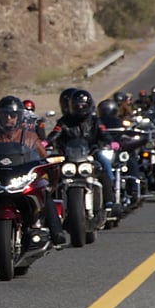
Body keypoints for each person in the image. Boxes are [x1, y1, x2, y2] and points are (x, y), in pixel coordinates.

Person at [0, 95, 66, 247]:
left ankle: (57, 232)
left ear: (19, 117)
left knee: (45, 191)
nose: (8, 118)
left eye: (12, 115)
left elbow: (44, 156)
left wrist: (48, 161)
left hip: (23, 178)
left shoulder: (30, 136)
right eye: (4, 115)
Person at [47, 88, 119, 217]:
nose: (80, 108)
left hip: (91, 152)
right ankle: (50, 203)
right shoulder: (64, 122)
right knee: (52, 172)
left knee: (104, 165)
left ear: (89, 105)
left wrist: (110, 142)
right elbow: (55, 133)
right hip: (69, 155)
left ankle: (110, 200)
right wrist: (45, 143)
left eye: (82, 105)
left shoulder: (95, 121)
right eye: (77, 105)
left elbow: (104, 133)